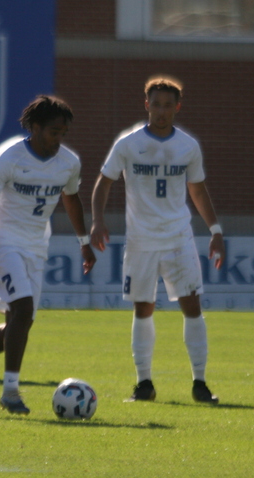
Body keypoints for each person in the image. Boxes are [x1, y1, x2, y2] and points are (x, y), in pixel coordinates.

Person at [0, 95, 96, 415]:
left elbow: (72, 200)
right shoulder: (10, 158)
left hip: (35, 246)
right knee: (23, 308)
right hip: (1, 241)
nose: (58, 139)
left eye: (63, 133)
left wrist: (84, 241)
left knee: (20, 323)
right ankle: (11, 393)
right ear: (35, 127)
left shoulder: (68, 162)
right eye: (52, 132)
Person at [90, 76, 225, 404]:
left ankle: (200, 383)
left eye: (168, 105)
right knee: (143, 308)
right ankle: (144, 384)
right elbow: (104, 182)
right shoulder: (128, 143)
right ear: (145, 104)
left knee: (192, 306)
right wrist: (97, 222)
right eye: (155, 104)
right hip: (141, 241)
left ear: (177, 108)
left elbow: (197, 189)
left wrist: (216, 231)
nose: (161, 110)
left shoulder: (187, 146)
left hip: (179, 237)